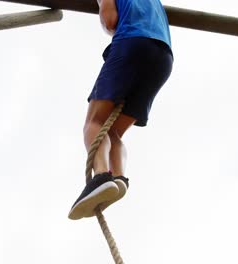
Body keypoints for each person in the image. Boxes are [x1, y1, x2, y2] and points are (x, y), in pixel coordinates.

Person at [68, 0, 173, 220]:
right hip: (163, 58)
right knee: (113, 131)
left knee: (94, 122)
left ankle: (102, 177)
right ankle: (119, 178)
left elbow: (110, 20)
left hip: (133, 44)